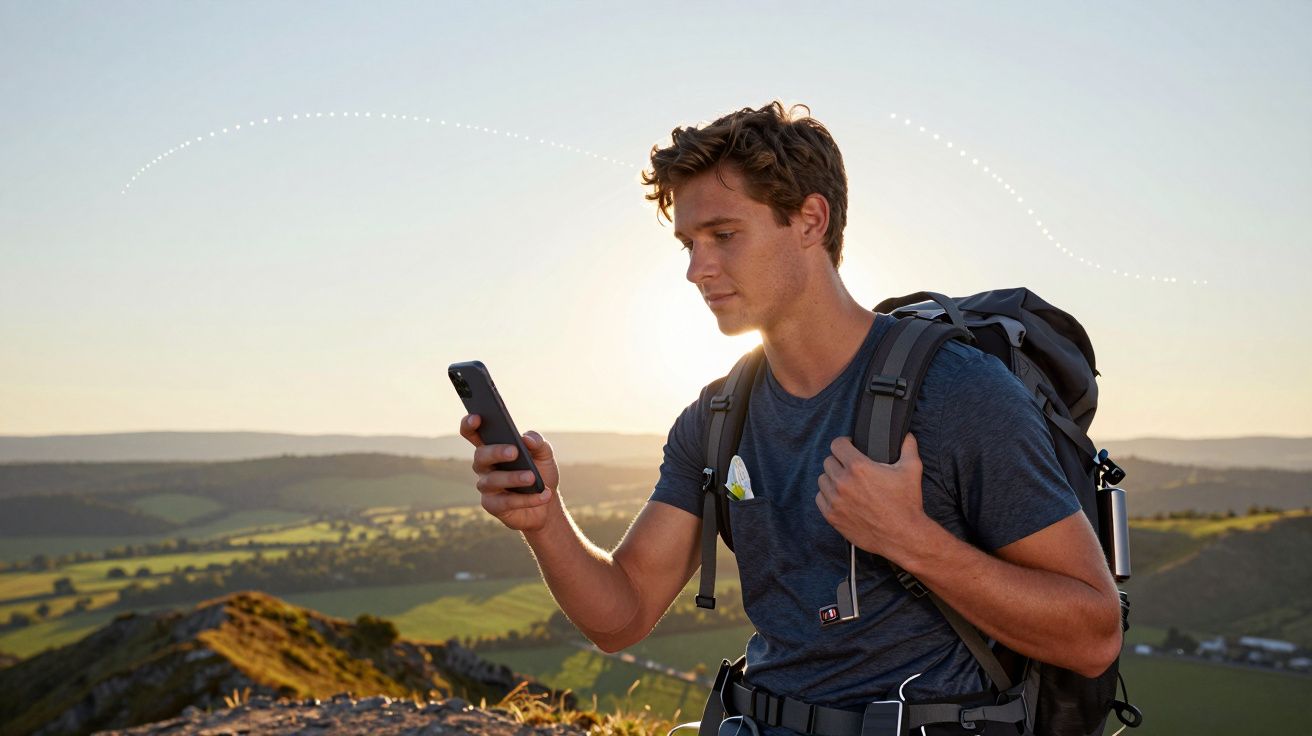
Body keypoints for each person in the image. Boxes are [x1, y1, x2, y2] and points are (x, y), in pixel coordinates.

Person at [460, 102, 1121, 733]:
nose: (696, 269)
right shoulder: (718, 416)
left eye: (723, 236)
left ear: (810, 220)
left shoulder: (956, 391)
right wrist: (543, 519)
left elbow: (1093, 637)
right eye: (688, 243)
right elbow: (623, 615)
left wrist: (910, 539)